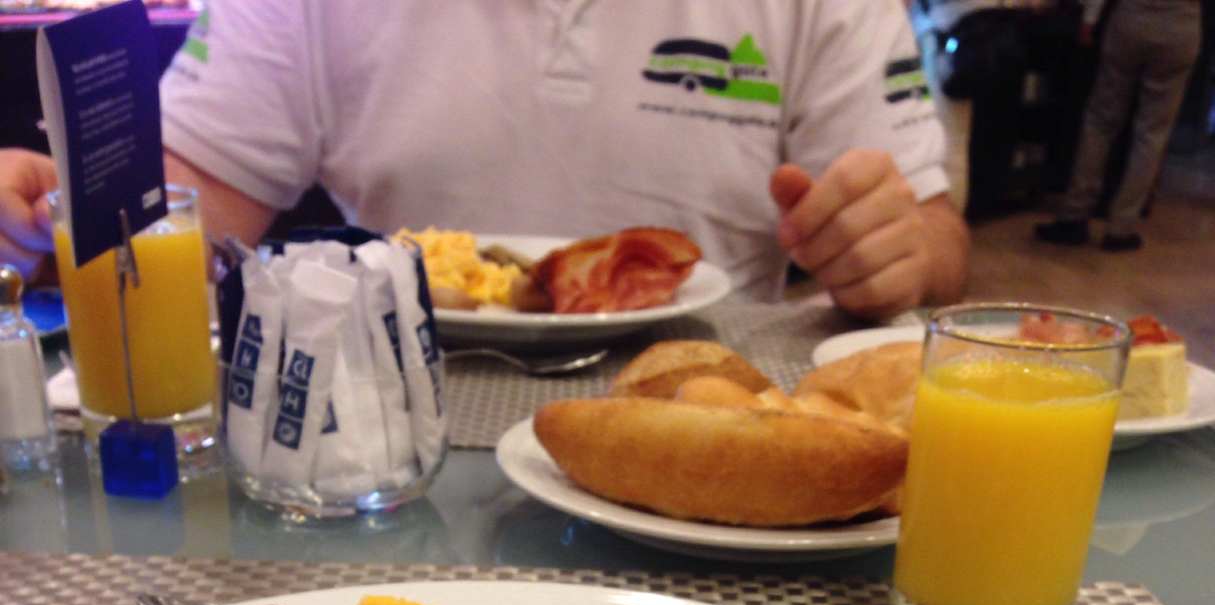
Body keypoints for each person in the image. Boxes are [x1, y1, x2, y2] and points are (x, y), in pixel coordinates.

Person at [0, 0, 968, 320]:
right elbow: (162, 225)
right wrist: (47, 217)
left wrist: (902, 251)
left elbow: (936, 239)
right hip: (384, 433)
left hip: (707, 422)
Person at [1035, 0, 1202, 250]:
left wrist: (1090, 19)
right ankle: (1121, 227)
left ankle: (1074, 214)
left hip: (1131, 17)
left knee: (1101, 121)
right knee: (1151, 133)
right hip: (1181, 24)